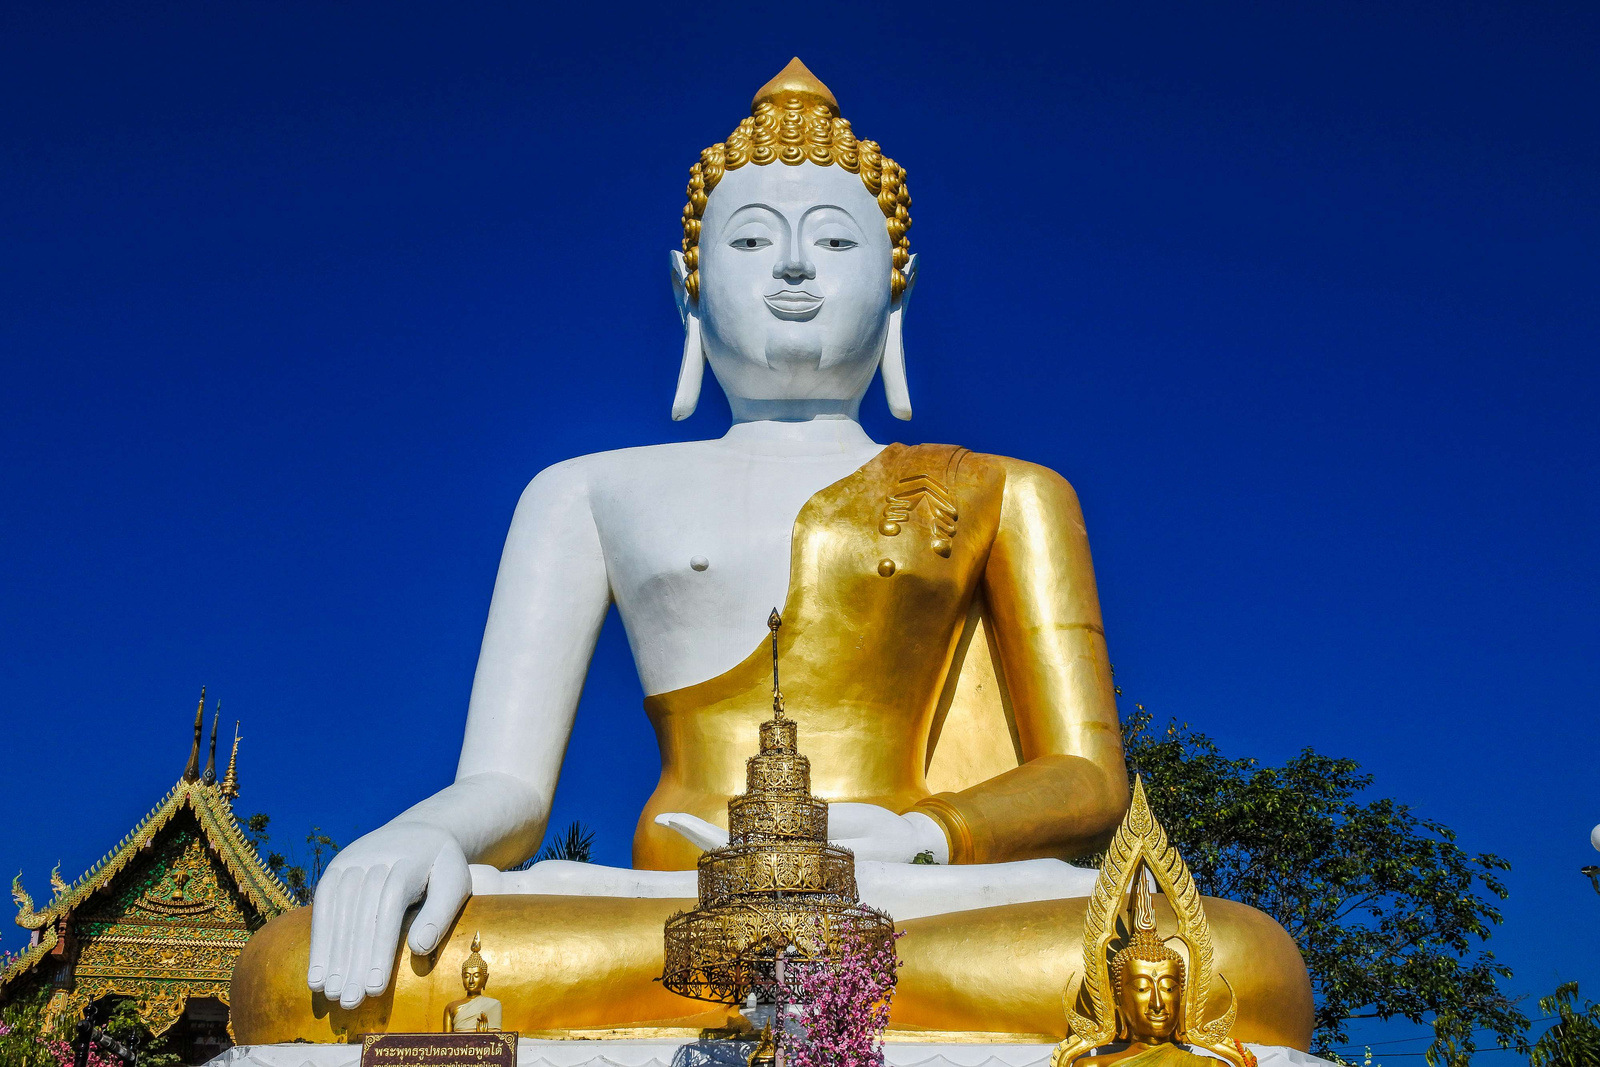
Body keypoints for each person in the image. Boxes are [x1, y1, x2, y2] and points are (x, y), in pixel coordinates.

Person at [230, 60, 1311, 1048]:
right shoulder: (585, 488)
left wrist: (917, 839)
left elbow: (1084, 776)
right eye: (750, 239)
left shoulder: (1004, 490)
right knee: (302, 967)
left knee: (1223, 961)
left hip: (913, 892)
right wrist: (417, 833)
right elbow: (506, 782)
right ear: (687, 281)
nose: (793, 267)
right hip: (669, 902)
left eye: (836, 242)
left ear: (899, 283)